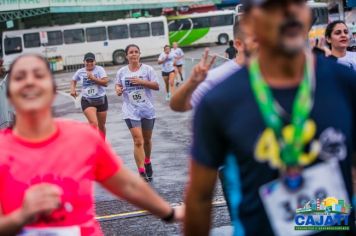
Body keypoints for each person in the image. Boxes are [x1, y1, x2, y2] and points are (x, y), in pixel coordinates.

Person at [185, 1, 356, 236]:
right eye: (273, 6)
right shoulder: (220, 101)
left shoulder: (345, 83)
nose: (289, 12)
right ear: (251, 22)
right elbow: (200, 198)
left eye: (297, 3)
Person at [0, 54, 183, 236]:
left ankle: (146, 166)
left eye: (39, 75)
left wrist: (171, 213)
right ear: (8, 92)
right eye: (20, 77)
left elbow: (129, 186)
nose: (30, 82)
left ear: (53, 89)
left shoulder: (83, 137)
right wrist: (22, 216)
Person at [170, 18, 258, 112]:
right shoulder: (218, 76)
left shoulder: (272, 74)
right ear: (239, 44)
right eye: (259, 40)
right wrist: (192, 83)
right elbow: (177, 106)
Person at [115, 44, 159, 182]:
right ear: (126, 55)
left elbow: (156, 86)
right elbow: (118, 85)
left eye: (136, 52)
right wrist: (118, 89)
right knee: (138, 140)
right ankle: (141, 171)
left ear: (139, 54)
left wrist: (141, 81)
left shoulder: (148, 69)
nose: (133, 54)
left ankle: (147, 161)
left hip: (147, 109)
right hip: (130, 110)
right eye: (131, 52)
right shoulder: (122, 71)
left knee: (146, 141)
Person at [70, 53, 109, 136]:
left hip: (101, 99)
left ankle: (102, 145)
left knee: (101, 125)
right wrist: (72, 89)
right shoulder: (80, 71)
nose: (89, 63)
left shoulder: (100, 70)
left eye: (92, 61)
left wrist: (94, 79)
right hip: (87, 100)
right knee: (93, 123)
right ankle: (94, 144)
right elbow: (73, 80)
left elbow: (105, 83)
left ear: (95, 62)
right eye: (87, 61)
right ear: (84, 62)